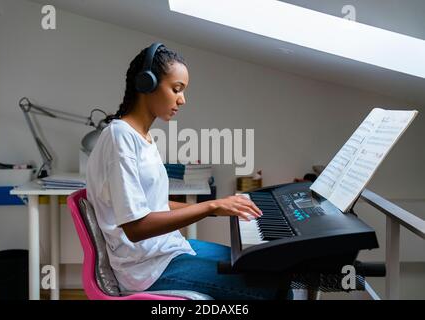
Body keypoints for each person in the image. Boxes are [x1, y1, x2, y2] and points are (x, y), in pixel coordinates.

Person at [86, 43, 289, 300]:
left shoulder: (141, 136)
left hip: (168, 250)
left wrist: (221, 205)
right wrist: (209, 208)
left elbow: (155, 205)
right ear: (146, 85)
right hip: (146, 269)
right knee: (271, 289)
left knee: (260, 266)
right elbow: (136, 227)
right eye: (176, 89)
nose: (182, 100)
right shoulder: (120, 138)